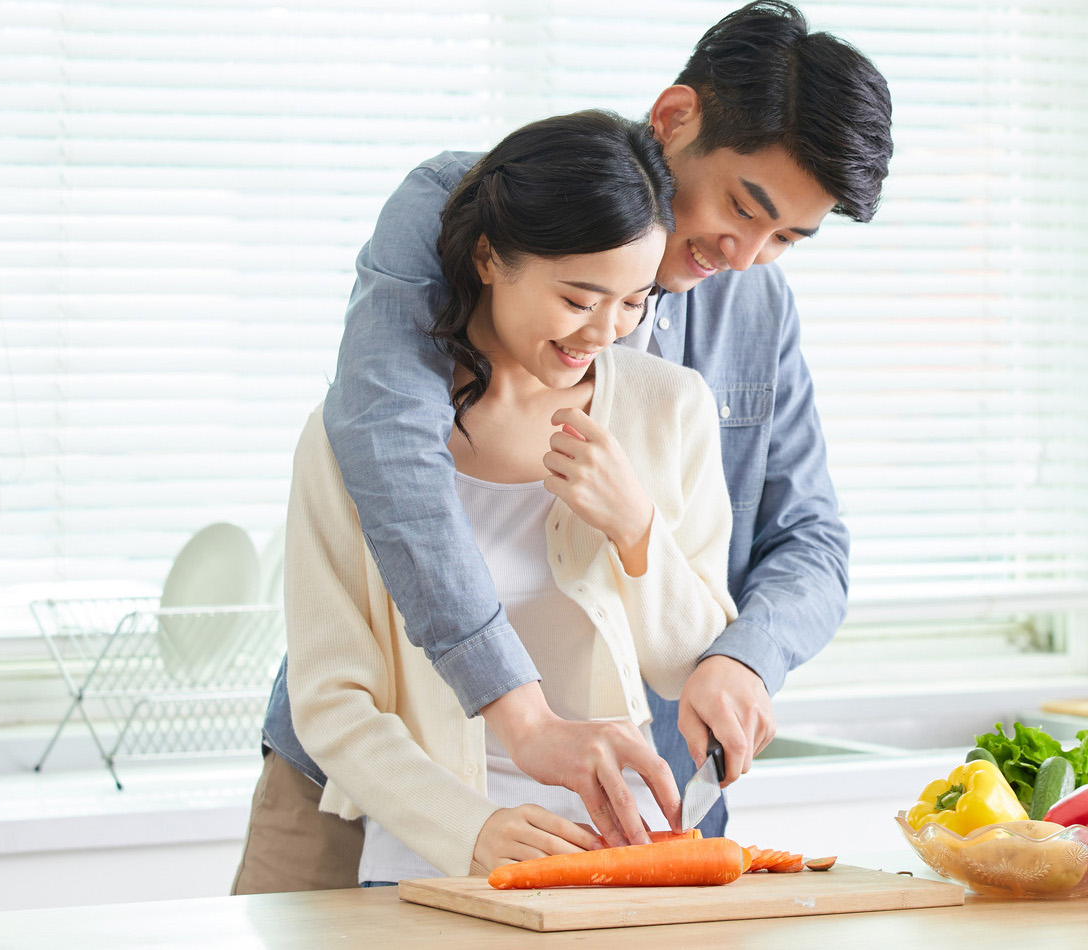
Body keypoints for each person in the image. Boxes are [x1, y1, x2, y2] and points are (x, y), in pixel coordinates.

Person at [232, 1, 892, 893]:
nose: (745, 256)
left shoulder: (720, 349)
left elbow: (806, 541)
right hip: (370, 799)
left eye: (787, 241)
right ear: (674, 120)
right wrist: (522, 724)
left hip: (624, 808)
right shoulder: (463, 209)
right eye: (744, 208)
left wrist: (740, 656)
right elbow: (384, 450)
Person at [280, 109, 735, 885]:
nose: (604, 331)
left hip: (620, 857)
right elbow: (332, 700)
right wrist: (472, 828)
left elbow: (686, 666)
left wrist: (637, 531)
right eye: (579, 297)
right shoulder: (350, 437)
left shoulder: (670, 408)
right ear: (490, 258)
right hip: (435, 859)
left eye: (633, 302)